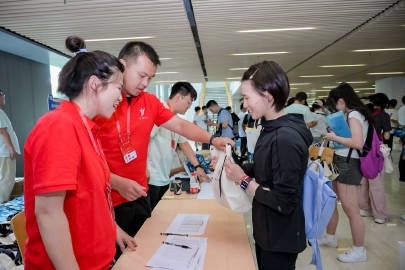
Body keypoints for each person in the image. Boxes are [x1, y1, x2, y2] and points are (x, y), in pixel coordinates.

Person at [96, 41, 233, 257]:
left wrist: (213, 138)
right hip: (106, 203)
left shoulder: (149, 102)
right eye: (141, 75)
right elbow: (86, 162)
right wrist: (115, 181)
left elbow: (180, 126)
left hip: (139, 195)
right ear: (122, 65)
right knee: (115, 259)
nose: (145, 83)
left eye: (150, 78)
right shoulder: (101, 103)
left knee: (141, 253)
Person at [23, 36, 137, 269]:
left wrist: (113, 231)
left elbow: (91, 198)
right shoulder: (59, 127)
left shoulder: (87, 129)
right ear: (95, 84)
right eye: (118, 87)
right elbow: (48, 214)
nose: (121, 96)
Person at [224, 60, 311, 270]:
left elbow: (283, 201)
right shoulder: (270, 127)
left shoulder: (284, 138)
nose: (244, 105)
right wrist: (237, 167)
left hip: (280, 237)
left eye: (247, 98)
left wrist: (243, 180)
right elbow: (266, 168)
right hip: (268, 230)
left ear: (267, 96)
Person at [319, 82, 371, 263]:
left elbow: (357, 142)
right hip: (341, 160)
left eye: (335, 104)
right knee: (332, 200)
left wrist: (334, 137)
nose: (335, 108)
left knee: (351, 209)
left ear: (341, 100)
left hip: (349, 163)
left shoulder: (354, 114)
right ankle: (330, 236)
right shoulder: (351, 114)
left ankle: (359, 249)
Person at [147, 82, 210, 210]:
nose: (189, 106)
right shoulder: (158, 112)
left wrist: (197, 167)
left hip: (165, 178)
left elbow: (185, 144)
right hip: (151, 179)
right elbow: (143, 140)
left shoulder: (174, 119)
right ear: (179, 97)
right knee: (152, 219)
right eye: (188, 102)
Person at [357, 93, 390, 224]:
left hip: (363, 152)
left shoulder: (363, 116)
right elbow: (386, 136)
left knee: (363, 183)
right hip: (376, 152)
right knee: (377, 185)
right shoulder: (384, 116)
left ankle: (364, 209)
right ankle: (379, 215)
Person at [0, 89, 20, 203]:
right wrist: (11, 149)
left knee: (3, 178)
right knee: (6, 180)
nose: (4, 98)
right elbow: (2, 131)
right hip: (5, 151)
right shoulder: (0, 112)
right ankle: (1, 205)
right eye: (2, 96)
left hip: (3, 151)